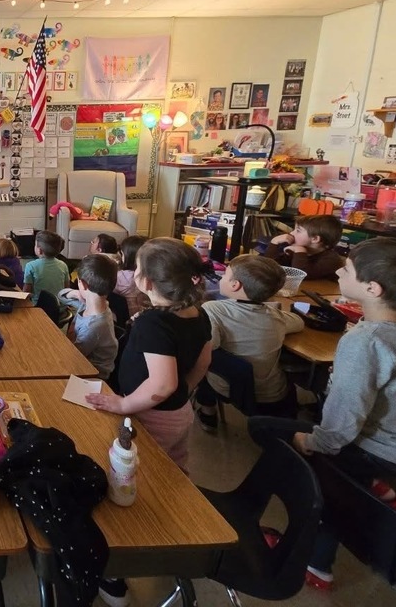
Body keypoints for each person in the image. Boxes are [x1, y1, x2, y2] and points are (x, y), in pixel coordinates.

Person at [247, 239, 396, 591]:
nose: (338, 270)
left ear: (372, 288)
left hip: (369, 446)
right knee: (273, 431)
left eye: (347, 268)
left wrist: (315, 441)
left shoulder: (365, 341)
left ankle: (317, 564)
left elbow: (344, 420)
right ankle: (370, 488)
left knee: (315, 483)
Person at [85, 238, 212, 607]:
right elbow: (201, 364)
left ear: (148, 283)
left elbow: (161, 383)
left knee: (125, 485)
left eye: (137, 269)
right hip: (178, 414)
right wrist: (181, 395)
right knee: (171, 476)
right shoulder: (197, 314)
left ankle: (117, 570)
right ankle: (170, 535)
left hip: (148, 417)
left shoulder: (155, 323)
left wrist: (124, 402)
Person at [195, 255, 304, 432]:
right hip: (272, 395)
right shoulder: (275, 316)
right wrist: (273, 309)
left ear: (235, 285)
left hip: (226, 387)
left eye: (224, 275)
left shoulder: (213, 309)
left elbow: (209, 346)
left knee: (204, 364)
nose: (221, 277)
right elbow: (298, 322)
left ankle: (208, 413)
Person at [68, 255, 119, 380]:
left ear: (83, 284)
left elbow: (72, 356)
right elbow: (61, 296)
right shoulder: (91, 304)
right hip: (78, 366)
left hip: (91, 377)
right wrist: (74, 293)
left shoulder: (94, 326)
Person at [265, 214, 345, 280]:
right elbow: (271, 268)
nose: (292, 233)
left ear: (315, 239)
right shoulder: (294, 251)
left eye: (298, 231)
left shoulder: (331, 260)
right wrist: (274, 243)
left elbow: (301, 277)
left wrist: (300, 251)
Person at [23, 230, 70, 305]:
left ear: (39, 250)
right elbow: (66, 288)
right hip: (60, 308)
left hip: (39, 308)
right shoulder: (63, 265)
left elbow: (26, 291)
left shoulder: (30, 266)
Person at [114, 235, 149, 317]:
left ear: (125, 255)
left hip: (126, 317)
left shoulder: (119, 276)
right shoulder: (152, 275)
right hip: (145, 314)